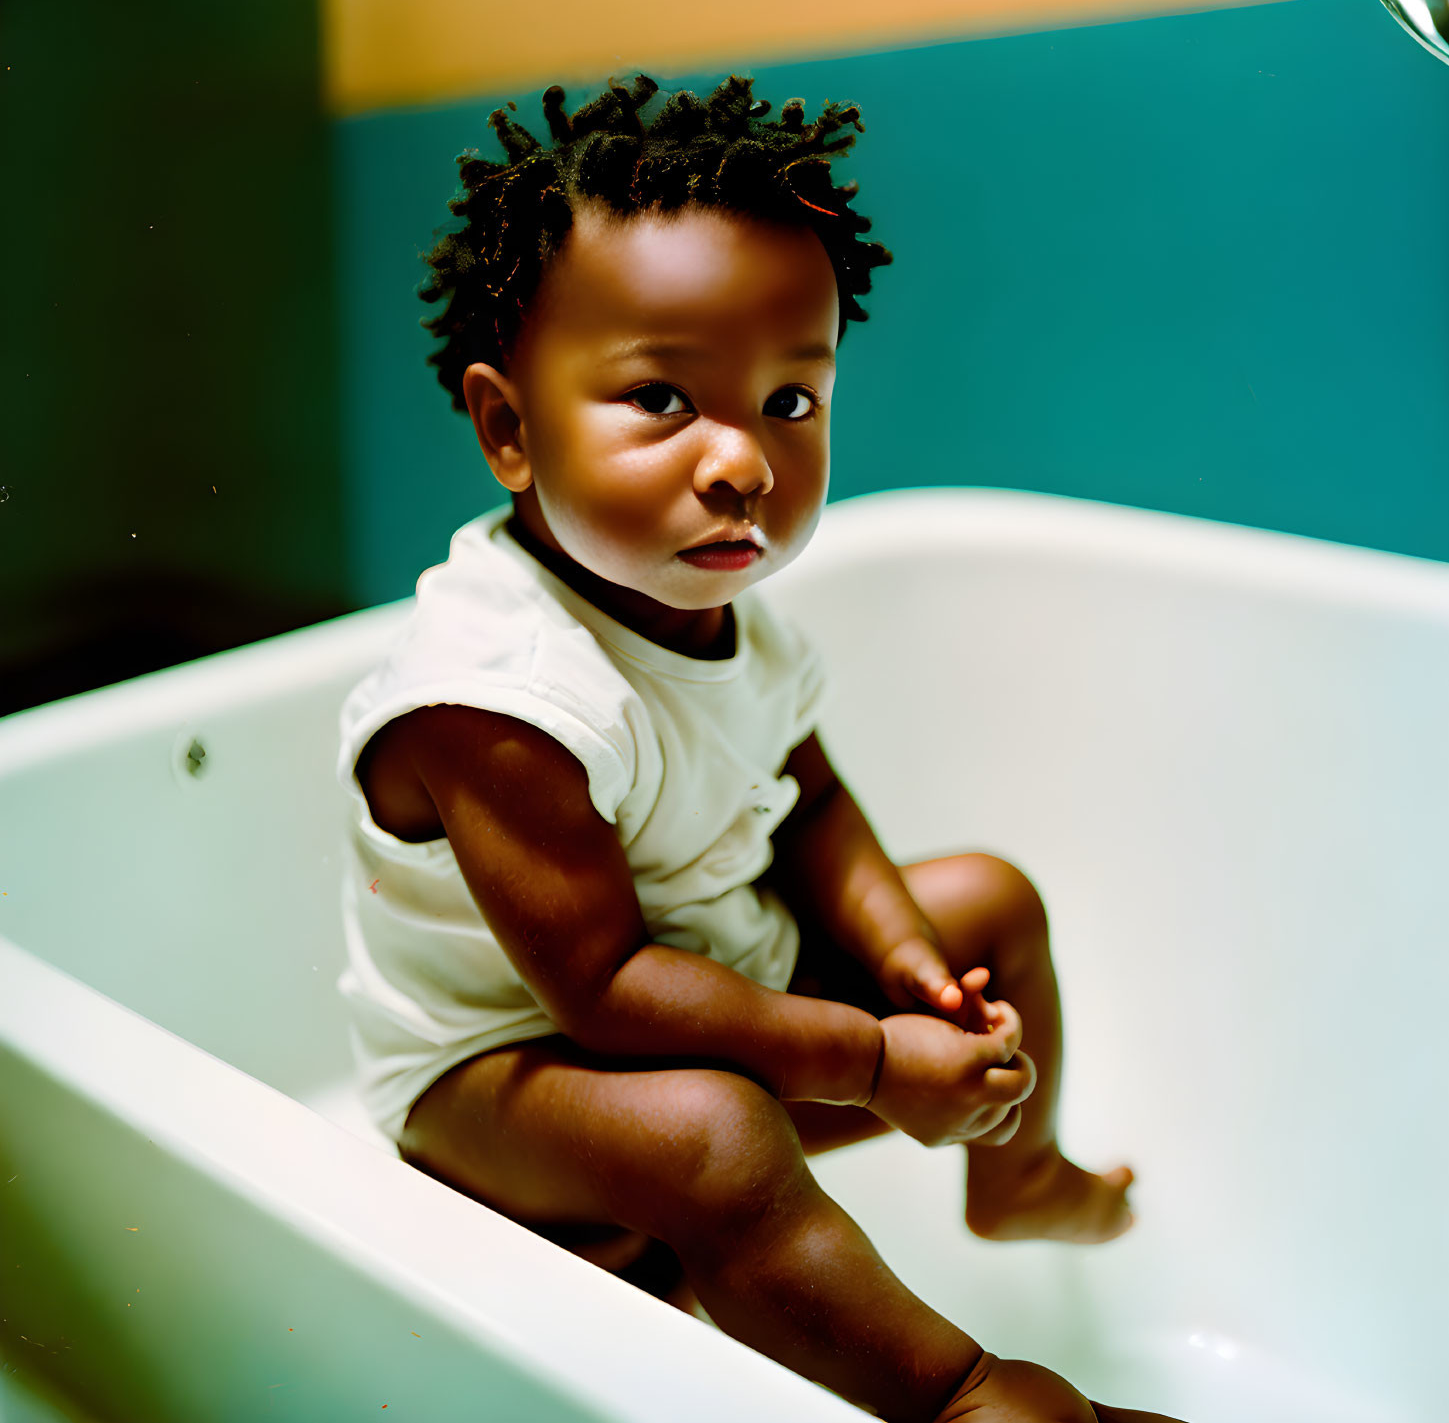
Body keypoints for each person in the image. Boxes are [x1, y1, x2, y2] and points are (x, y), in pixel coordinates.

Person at [335, 72, 1185, 1423]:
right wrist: (865, 1057)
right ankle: (959, 1392)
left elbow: (811, 799)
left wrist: (912, 967)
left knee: (986, 902)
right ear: (508, 426)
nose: (744, 464)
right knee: (711, 1136)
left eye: (790, 401)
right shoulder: (492, 697)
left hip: (706, 977)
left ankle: (1016, 1173)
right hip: (500, 1078)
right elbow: (604, 985)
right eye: (663, 398)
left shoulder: (716, 603)